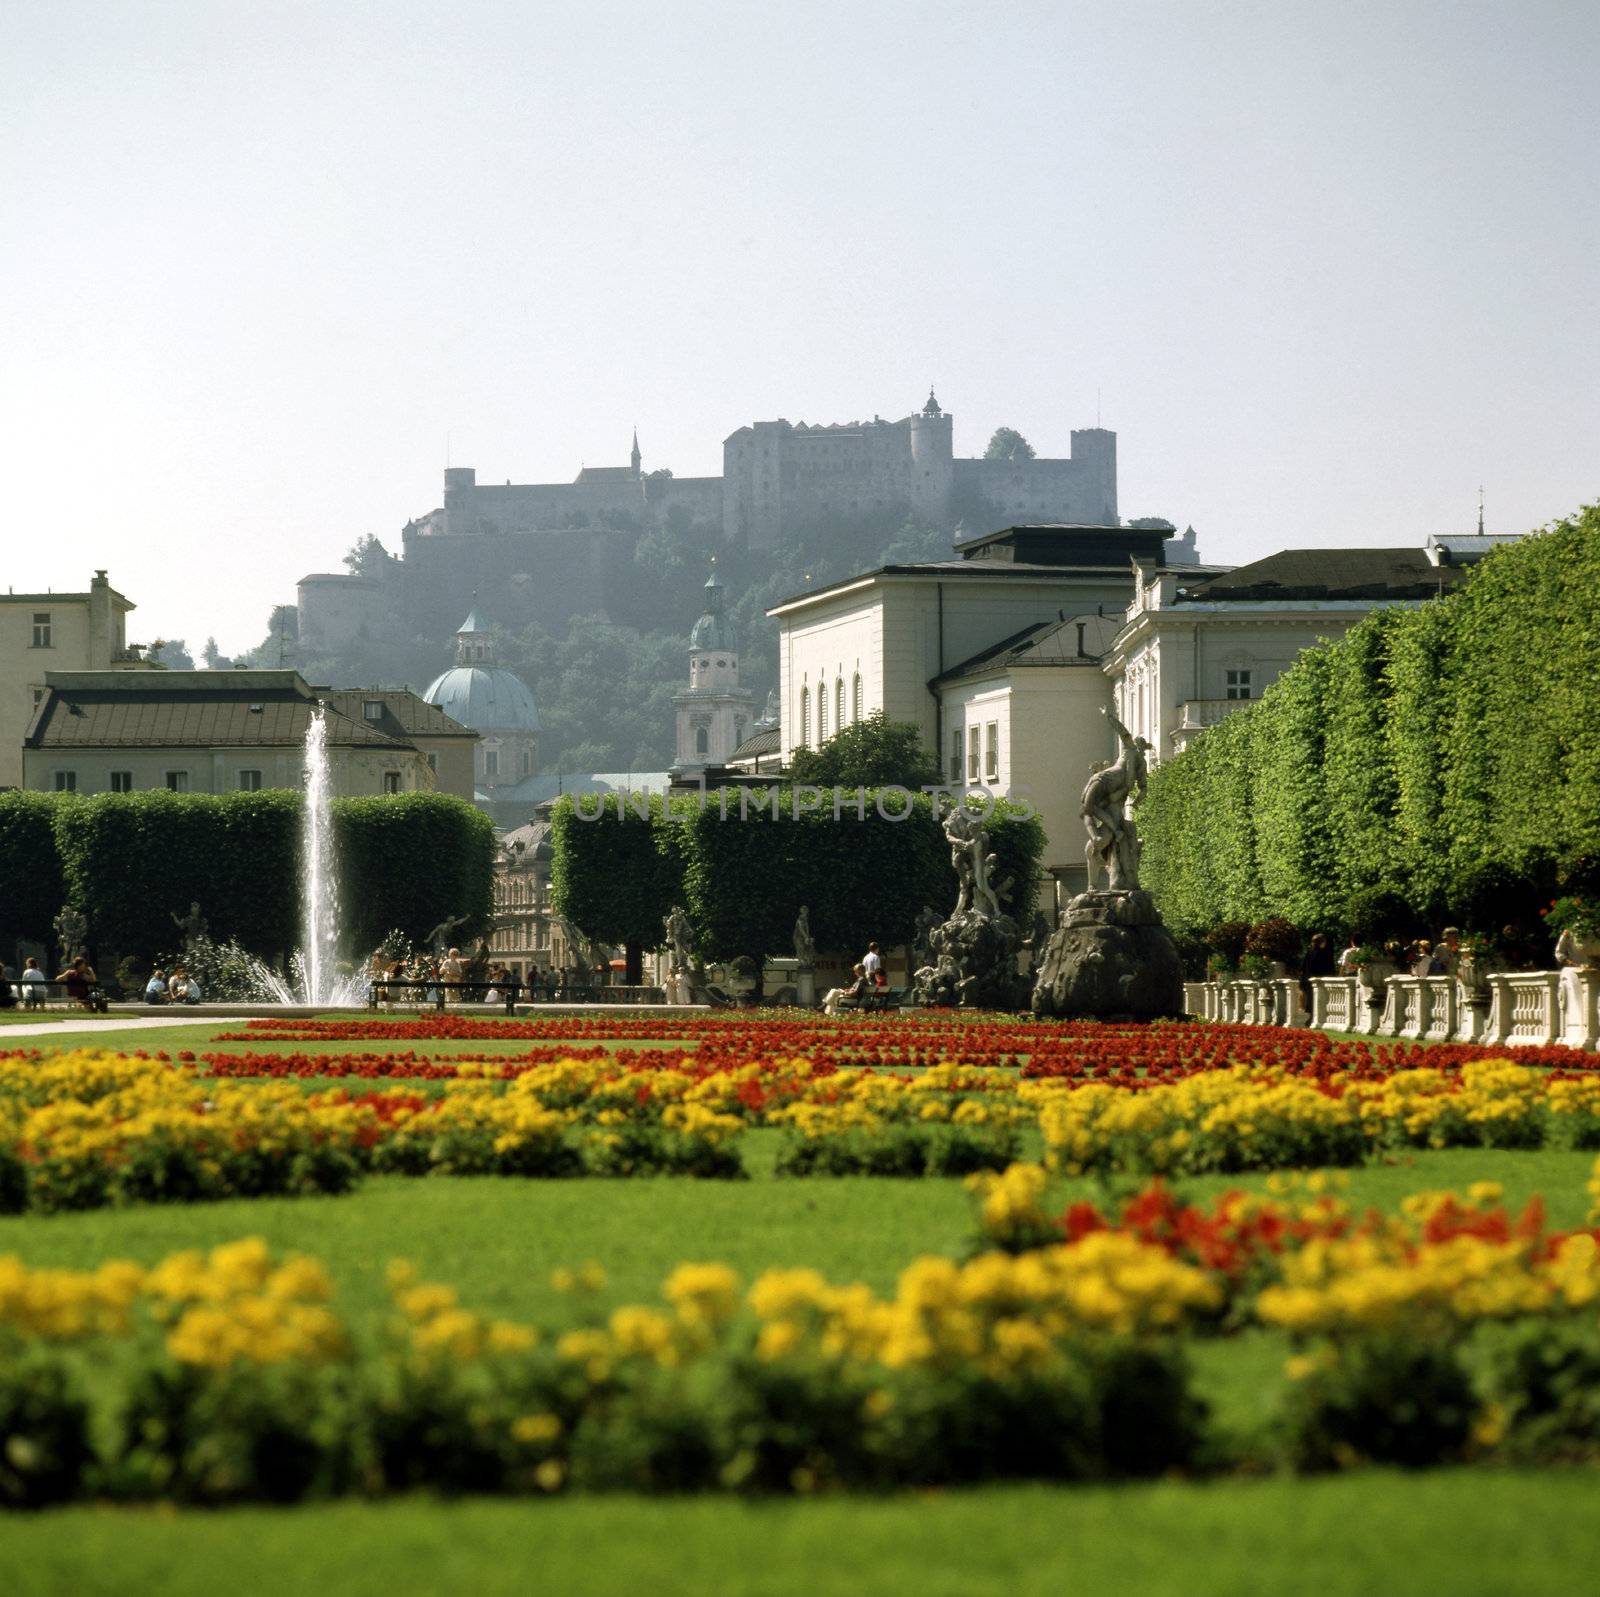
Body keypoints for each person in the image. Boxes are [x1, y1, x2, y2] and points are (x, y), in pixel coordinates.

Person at [1300, 932, 1336, 1011]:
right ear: (1322, 942)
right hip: (1317, 980)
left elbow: (1303, 967)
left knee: (1310, 1001)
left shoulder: (1309, 952)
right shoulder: (1323, 953)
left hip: (1307, 979)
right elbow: (1326, 968)